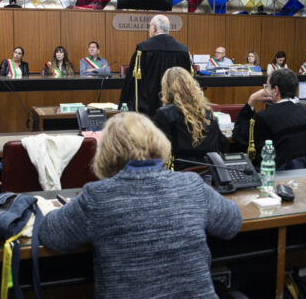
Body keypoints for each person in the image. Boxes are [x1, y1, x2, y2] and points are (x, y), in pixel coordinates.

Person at [39, 112, 242, 298]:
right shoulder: (191, 185)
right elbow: (232, 222)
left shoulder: (98, 197)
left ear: (107, 152)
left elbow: (52, 235)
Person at [232, 68, 306, 168]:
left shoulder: (264, 117)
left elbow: (239, 136)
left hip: (280, 175)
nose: (264, 91)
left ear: (275, 90)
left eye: (267, 87)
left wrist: (251, 101)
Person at [153, 67, 229, 169]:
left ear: (166, 88)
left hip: (178, 173)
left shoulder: (164, 114)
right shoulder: (207, 111)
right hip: (210, 172)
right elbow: (223, 144)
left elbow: (158, 151)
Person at [119, 14, 192, 116]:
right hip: (176, 110)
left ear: (154, 28)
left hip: (149, 111)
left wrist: (125, 103)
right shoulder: (182, 50)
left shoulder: (143, 49)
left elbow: (132, 82)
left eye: (149, 27)